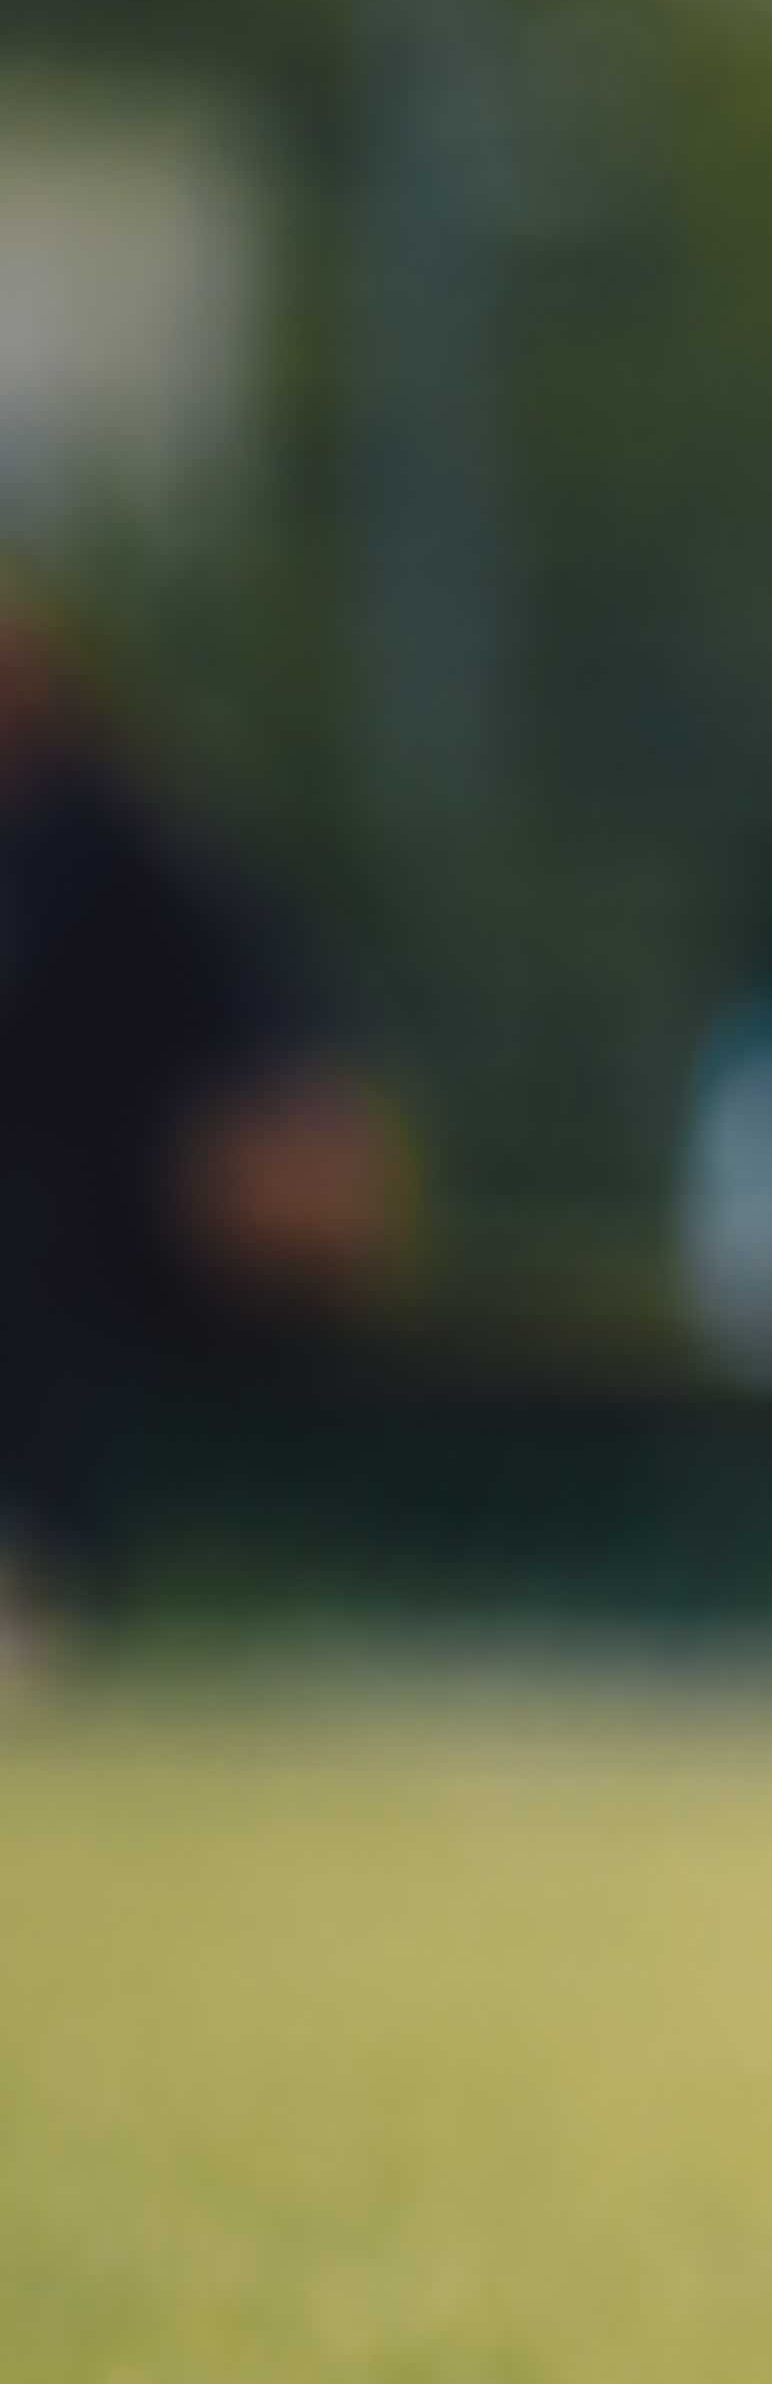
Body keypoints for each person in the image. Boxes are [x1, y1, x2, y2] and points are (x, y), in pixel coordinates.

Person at [0, 572, 406, 1669]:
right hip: (107, 1207)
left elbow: (284, 1062)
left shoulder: (101, 838)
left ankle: (56, 1569)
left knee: (38, 1262)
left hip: (176, 1218)